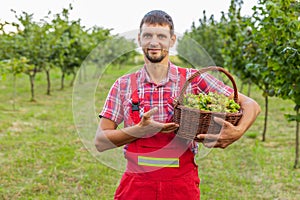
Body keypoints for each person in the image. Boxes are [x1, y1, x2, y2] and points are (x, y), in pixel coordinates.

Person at [94, 10, 261, 200]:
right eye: (147, 35)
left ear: (172, 40)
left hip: (181, 186)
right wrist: (139, 130)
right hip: (136, 187)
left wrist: (237, 132)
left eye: (161, 36)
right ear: (139, 39)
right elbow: (101, 141)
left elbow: (251, 105)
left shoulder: (194, 80)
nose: (154, 42)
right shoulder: (123, 85)